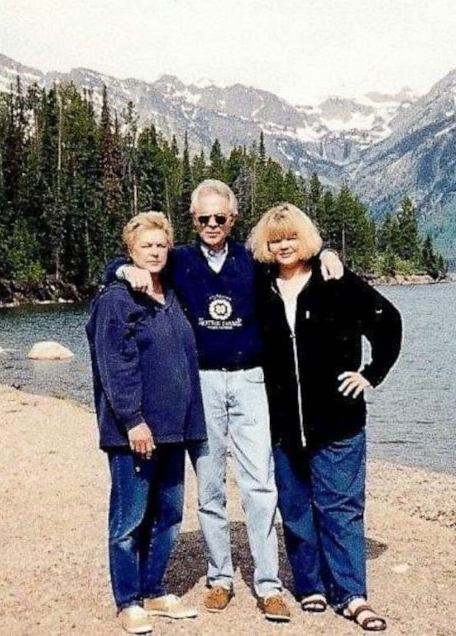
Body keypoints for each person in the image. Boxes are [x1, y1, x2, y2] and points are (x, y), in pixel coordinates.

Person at [106, 179, 344, 622]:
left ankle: (268, 584)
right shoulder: (178, 261)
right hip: (203, 385)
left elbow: (294, 257)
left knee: (259, 485)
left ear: (233, 219)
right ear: (193, 220)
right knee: (210, 486)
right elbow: (126, 264)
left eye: (220, 217)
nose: (212, 225)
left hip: (251, 381)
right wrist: (122, 271)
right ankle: (220, 578)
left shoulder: (252, 260)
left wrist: (326, 252)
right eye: (203, 218)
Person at [248, 203, 402, 632]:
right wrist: (118, 271)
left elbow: (388, 322)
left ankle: (351, 595)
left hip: (338, 422)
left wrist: (371, 374)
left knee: (341, 509)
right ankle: (311, 585)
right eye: (275, 240)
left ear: (307, 239)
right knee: (296, 510)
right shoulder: (260, 285)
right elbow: (197, 274)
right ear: (265, 244)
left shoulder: (335, 280)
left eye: (291, 238)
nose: (283, 246)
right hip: (283, 425)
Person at [85, 212, 206, 635]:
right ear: (130, 252)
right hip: (134, 432)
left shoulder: (169, 293)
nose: (154, 252)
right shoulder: (118, 299)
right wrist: (133, 420)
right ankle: (128, 600)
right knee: (129, 519)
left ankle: (154, 589)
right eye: (145, 246)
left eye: (160, 245)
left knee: (169, 515)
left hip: (174, 429)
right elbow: (115, 365)